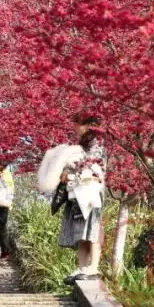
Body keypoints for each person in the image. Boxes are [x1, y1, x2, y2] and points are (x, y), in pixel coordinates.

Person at [51, 118, 107, 283]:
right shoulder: (82, 145)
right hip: (77, 192)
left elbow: (92, 168)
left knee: (92, 230)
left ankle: (93, 267)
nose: (74, 128)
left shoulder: (97, 144)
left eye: (77, 124)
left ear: (87, 126)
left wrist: (69, 174)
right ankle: (83, 267)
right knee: (81, 232)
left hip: (91, 193)